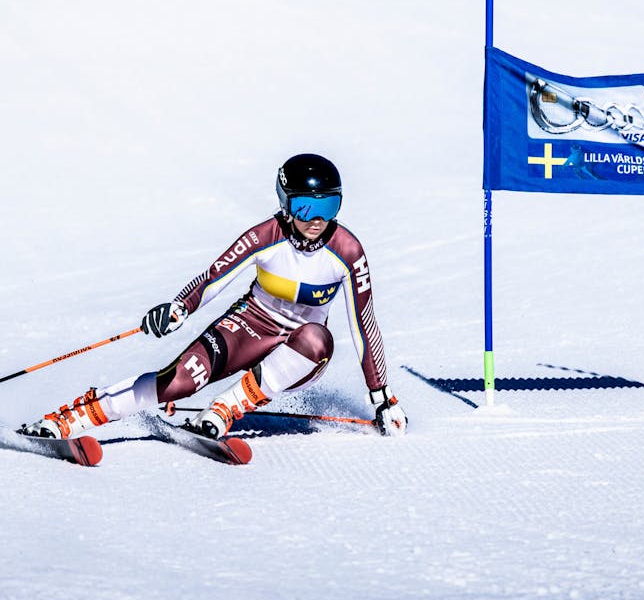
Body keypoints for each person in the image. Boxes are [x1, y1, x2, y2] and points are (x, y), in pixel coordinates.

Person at [22, 154, 408, 441]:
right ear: (285, 205)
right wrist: (178, 308)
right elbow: (214, 278)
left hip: (301, 355)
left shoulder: (347, 251)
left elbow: (364, 327)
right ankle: (67, 421)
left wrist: (382, 396)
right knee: (179, 381)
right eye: (305, 207)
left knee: (317, 337)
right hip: (249, 326)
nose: (317, 219)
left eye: (328, 206)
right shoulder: (265, 236)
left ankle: (222, 411)